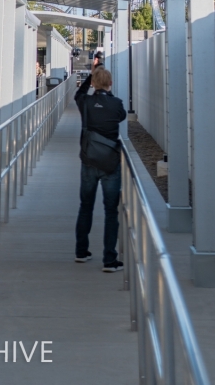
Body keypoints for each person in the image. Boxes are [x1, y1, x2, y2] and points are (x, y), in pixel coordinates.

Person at [74, 54, 126, 271]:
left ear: (93, 83)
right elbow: (120, 116)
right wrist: (106, 89)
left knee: (85, 206)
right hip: (110, 163)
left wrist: (91, 76)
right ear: (111, 84)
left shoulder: (85, 103)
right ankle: (109, 259)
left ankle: (81, 251)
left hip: (88, 160)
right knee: (111, 210)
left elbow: (79, 93)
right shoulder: (116, 104)